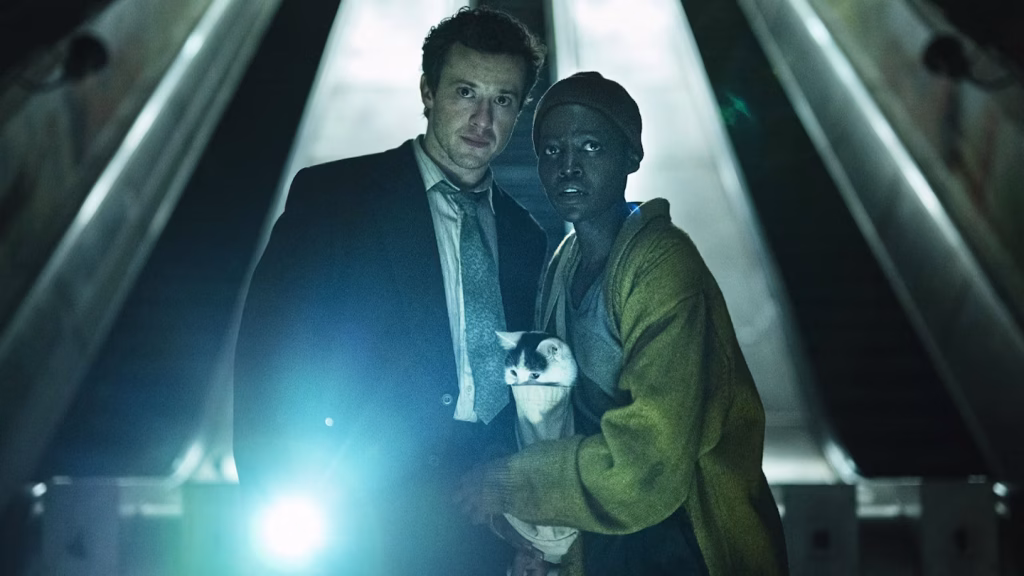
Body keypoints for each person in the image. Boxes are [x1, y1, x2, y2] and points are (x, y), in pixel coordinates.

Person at [233, 7, 548, 574]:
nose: (482, 118)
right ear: (428, 92)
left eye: (502, 100)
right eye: (465, 92)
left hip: (483, 519)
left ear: (519, 110)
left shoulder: (526, 237)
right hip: (361, 513)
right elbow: (267, 356)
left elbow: (527, 391)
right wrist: (275, 502)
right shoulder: (336, 199)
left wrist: (527, 521)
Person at [455, 72, 790, 576]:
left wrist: (511, 484)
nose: (568, 166)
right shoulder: (564, 262)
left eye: (590, 146)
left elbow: (649, 463)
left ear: (632, 155)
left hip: (685, 539)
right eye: (551, 151)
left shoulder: (662, 266)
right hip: (608, 541)